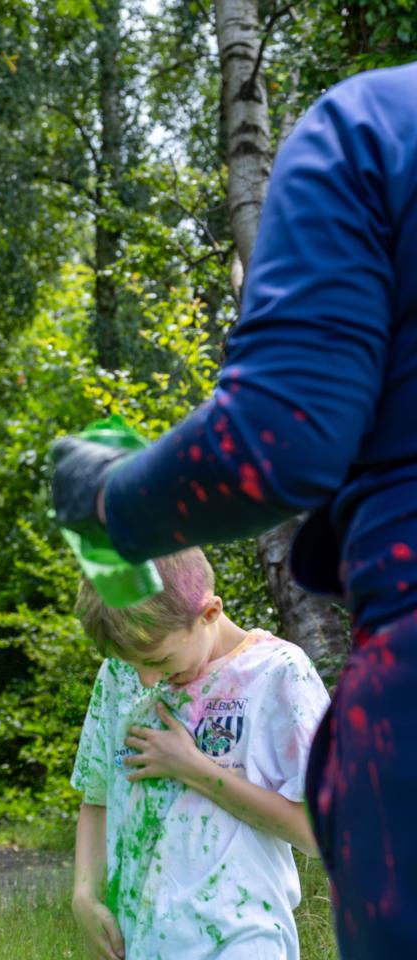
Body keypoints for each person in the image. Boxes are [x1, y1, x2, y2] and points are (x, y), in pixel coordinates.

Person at [50, 62, 417, 957]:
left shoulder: (373, 126)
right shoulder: (123, 681)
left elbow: (281, 436)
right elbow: (99, 790)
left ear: (207, 604)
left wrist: (108, 499)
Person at [70, 548, 329, 960]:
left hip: (242, 939)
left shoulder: (278, 673)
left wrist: (192, 768)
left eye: (159, 660)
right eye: (133, 663)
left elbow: (318, 835)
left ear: (208, 613)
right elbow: (97, 795)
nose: (147, 679)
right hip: (139, 942)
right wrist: (84, 892)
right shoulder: (120, 676)